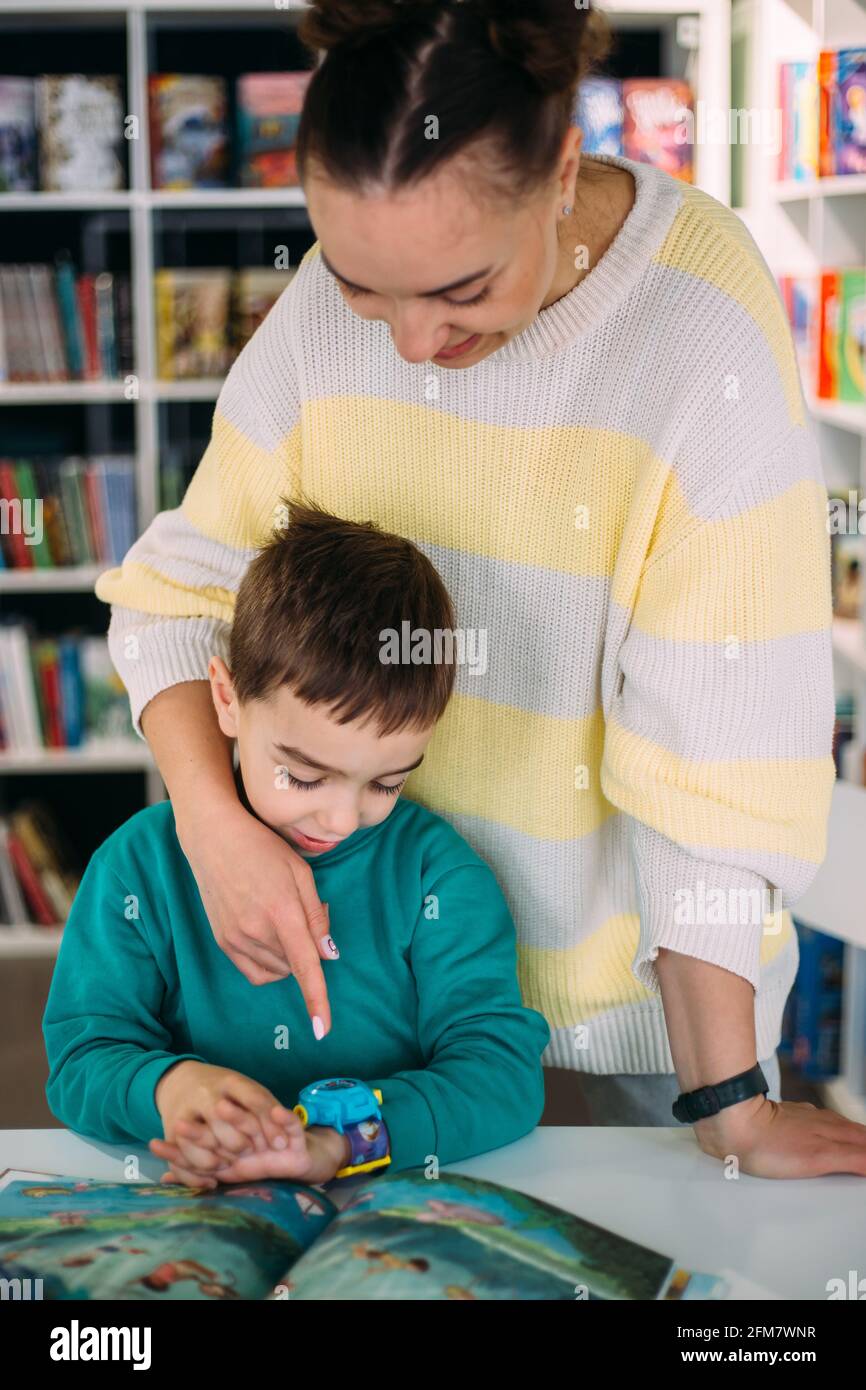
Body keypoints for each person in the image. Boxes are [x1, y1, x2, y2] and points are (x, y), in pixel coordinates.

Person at [95, 0, 866, 1177]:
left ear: (561, 169)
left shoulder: (694, 322)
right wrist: (211, 825)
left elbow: (723, 761)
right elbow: (176, 596)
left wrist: (728, 1097)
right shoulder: (318, 318)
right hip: (366, 1004)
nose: (406, 343)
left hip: (627, 1038)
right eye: (360, 286)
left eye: (459, 291)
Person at [44, 504, 550, 1188]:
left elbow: (500, 1077)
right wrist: (172, 1091)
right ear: (225, 698)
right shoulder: (139, 866)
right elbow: (82, 1057)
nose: (342, 818)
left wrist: (337, 1144)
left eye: (387, 782)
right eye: (305, 775)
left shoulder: (438, 877)